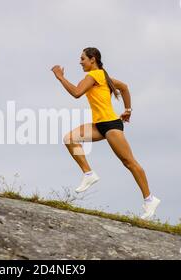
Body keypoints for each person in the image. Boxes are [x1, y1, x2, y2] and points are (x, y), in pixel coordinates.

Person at [51, 47, 160, 220]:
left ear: (92, 59)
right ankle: (88, 173)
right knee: (70, 139)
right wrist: (128, 109)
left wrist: (60, 77)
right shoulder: (103, 76)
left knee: (129, 162)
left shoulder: (94, 76)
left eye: (82, 59)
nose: (80, 62)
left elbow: (77, 93)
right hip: (99, 125)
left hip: (111, 125)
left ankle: (149, 199)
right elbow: (124, 87)